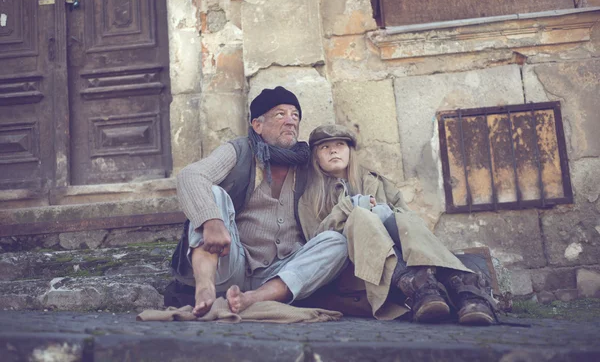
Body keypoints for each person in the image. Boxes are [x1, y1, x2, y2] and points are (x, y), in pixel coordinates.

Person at [170, 87, 349, 316]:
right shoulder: (241, 150)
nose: (290, 121)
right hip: (231, 263)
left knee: (336, 242)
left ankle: (254, 298)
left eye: (295, 115)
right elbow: (191, 176)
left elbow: (340, 179)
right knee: (214, 194)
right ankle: (205, 288)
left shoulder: (307, 161)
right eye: (280, 114)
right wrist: (211, 221)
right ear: (258, 125)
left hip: (283, 271)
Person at [298, 124, 498, 325]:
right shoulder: (308, 200)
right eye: (325, 147)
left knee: (395, 215)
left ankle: (453, 285)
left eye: (340, 144)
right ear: (316, 157)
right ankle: (420, 286)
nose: (333, 150)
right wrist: (347, 209)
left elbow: (412, 229)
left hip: (409, 264)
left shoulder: (378, 183)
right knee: (361, 215)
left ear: (350, 151)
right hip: (358, 275)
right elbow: (318, 246)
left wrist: (381, 213)